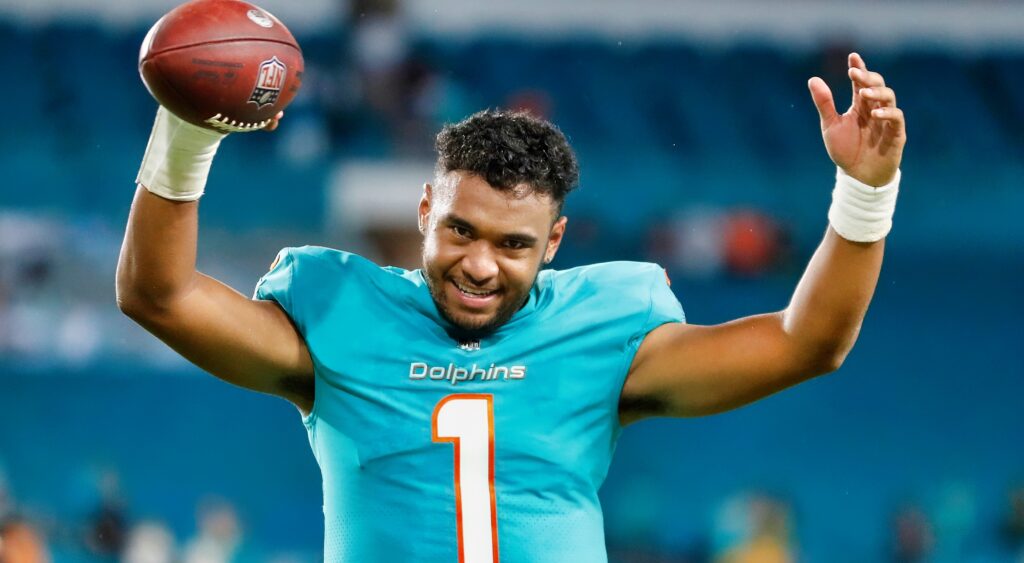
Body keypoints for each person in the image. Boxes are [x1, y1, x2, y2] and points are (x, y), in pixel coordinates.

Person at [116, 53, 906, 562]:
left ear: (555, 240)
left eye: (513, 244)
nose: (480, 265)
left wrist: (865, 193)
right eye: (460, 230)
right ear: (425, 208)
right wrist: (186, 136)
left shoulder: (606, 327)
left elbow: (809, 342)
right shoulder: (342, 315)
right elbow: (159, 294)